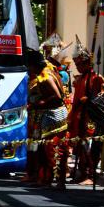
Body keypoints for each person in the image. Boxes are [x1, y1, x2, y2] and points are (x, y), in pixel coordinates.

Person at [25, 49, 68, 188]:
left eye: (29, 66)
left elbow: (57, 96)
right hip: (48, 115)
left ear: (35, 65)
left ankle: (58, 181)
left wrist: (39, 103)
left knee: (53, 149)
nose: (28, 69)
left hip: (55, 116)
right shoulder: (43, 73)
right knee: (44, 148)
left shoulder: (46, 76)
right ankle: (46, 179)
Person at [67, 35, 104, 185]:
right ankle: (82, 172)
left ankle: (89, 174)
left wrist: (88, 100)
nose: (77, 66)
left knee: (88, 146)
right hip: (79, 116)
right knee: (79, 147)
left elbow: (99, 98)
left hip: (89, 117)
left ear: (86, 62)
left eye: (79, 63)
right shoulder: (81, 78)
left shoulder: (95, 78)